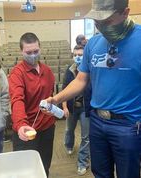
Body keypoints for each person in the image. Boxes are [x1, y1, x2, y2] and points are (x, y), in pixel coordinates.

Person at [43, 0, 141, 178]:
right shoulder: (93, 44)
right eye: (97, 21)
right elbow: (81, 80)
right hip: (97, 122)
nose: (101, 26)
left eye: (107, 21)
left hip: (128, 125)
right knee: (100, 173)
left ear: (125, 13)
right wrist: (56, 99)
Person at [8, 32, 56, 177]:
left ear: (40, 48)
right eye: (28, 52)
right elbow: (17, 99)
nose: (33, 55)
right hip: (27, 129)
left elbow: (50, 96)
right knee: (26, 170)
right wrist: (21, 124)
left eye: (36, 51)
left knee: (44, 165)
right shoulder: (17, 73)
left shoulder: (47, 71)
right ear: (21, 51)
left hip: (47, 127)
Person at [62, 45, 90, 176]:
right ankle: (69, 145)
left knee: (86, 137)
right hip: (72, 107)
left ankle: (82, 162)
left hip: (85, 108)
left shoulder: (91, 70)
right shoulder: (69, 70)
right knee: (69, 130)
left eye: (81, 55)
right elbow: (64, 90)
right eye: (75, 55)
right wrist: (64, 107)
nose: (78, 57)